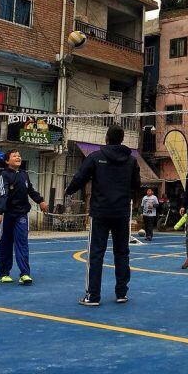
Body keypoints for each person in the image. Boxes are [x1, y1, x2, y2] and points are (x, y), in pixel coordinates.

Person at [65, 124, 140, 306]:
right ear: (122, 140)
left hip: (100, 212)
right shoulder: (131, 161)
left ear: (106, 138)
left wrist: (68, 191)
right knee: (122, 253)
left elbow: (80, 177)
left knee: (96, 254)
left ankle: (93, 296)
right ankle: (121, 293)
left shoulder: (96, 157)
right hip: (122, 212)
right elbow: (136, 186)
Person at [0, 150, 48, 285]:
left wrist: (40, 201)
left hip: (22, 215)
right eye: (14, 156)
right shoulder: (4, 175)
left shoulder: (24, 174)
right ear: (7, 161)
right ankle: (4, 273)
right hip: (7, 215)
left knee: (22, 243)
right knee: (6, 243)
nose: (18, 157)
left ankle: (25, 274)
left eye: (19, 155)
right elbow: (2, 193)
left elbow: (30, 190)